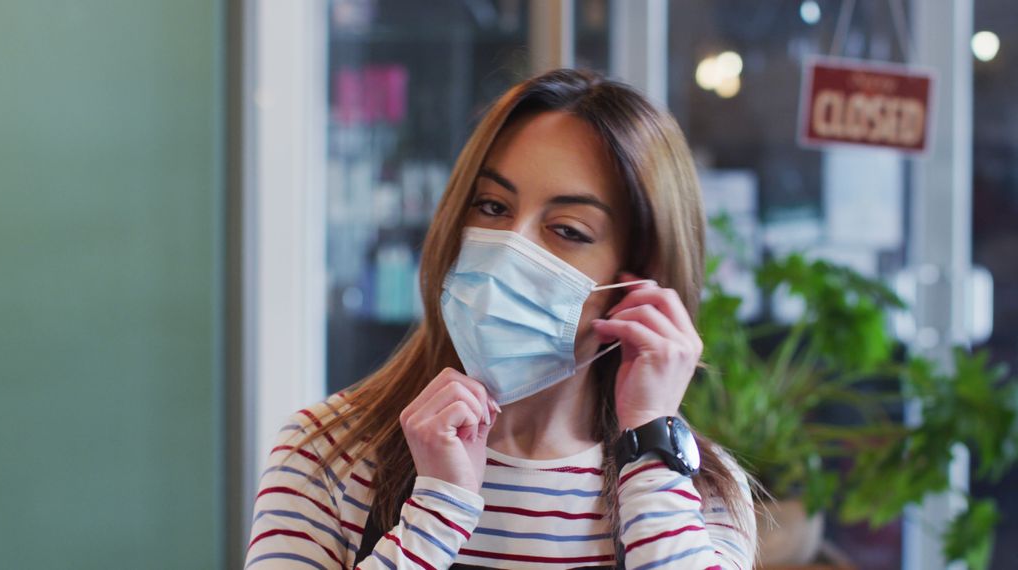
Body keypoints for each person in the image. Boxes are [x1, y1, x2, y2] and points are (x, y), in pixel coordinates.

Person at [246, 68, 757, 569]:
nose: (512, 247)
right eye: (492, 206)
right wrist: (434, 516)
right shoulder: (327, 451)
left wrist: (650, 447)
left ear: (639, 279)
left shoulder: (697, 489)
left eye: (568, 230)